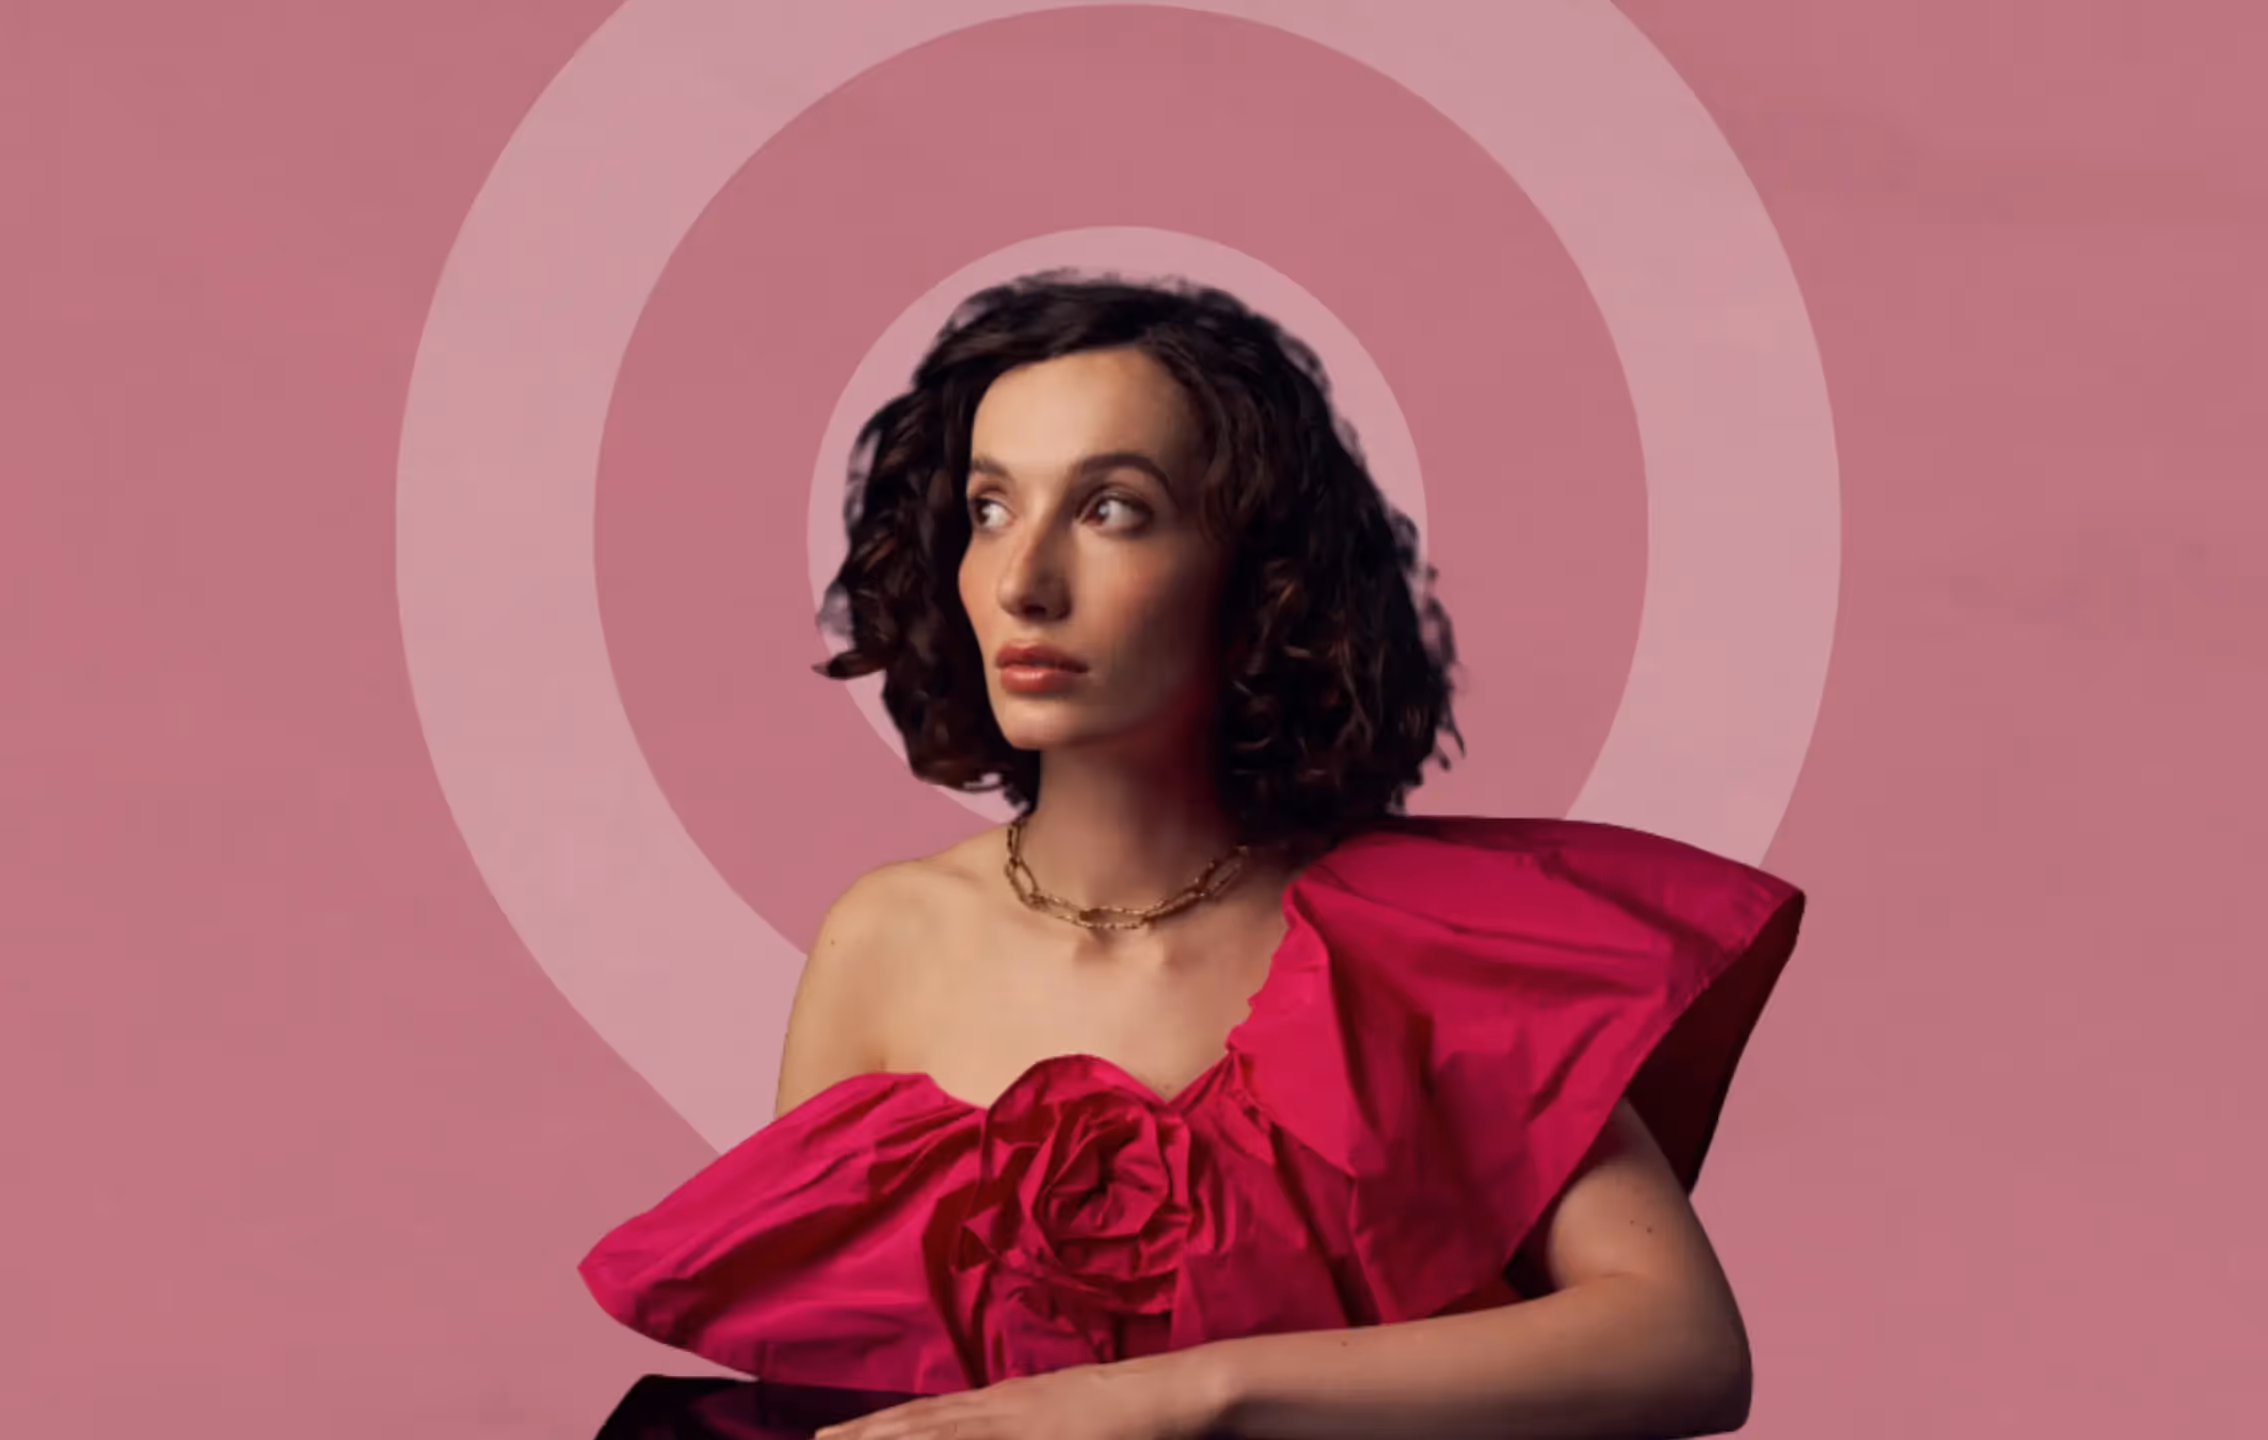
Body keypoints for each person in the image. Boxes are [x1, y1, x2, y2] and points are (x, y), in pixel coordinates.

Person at [579, 273, 1808, 1440]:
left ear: (1259, 574)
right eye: (990, 510)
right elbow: (830, 1377)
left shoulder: (1427, 946)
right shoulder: (884, 941)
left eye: (1111, 510)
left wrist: (1178, 1401)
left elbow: (1682, 1347)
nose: (1023, 581)